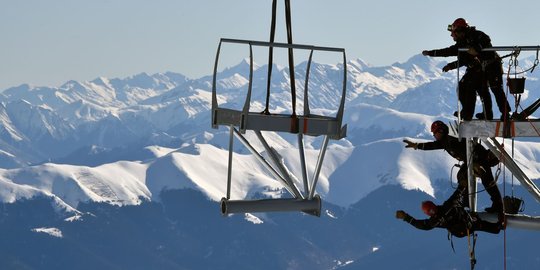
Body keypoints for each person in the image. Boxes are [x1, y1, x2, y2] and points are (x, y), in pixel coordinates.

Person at [403, 120, 503, 216]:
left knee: (486, 180)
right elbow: (433, 145)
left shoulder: (451, 140)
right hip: (472, 160)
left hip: (479, 159)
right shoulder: (446, 140)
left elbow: (472, 148)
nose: (434, 136)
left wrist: (476, 162)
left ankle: (496, 205)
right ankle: (469, 202)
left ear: (440, 131)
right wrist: (417, 145)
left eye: (435, 133)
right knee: (465, 177)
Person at [422, 18, 511, 121]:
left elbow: (485, 43)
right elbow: (449, 52)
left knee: (495, 89)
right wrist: (431, 53)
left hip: (492, 66)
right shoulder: (462, 42)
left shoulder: (478, 35)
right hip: (480, 69)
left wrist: (476, 50)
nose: (452, 36)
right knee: (469, 88)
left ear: (459, 31)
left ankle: (504, 114)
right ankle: (471, 113)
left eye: (453, 33)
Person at [396, 200, 501, 237]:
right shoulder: (446, 207)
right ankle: (498, 225)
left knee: (478, 224)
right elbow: (455, 197)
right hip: (464, 225)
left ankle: (497, 226)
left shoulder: (434, 221)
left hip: (461, 230)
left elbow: (422, 225)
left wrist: (406, 217)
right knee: (478, 223)